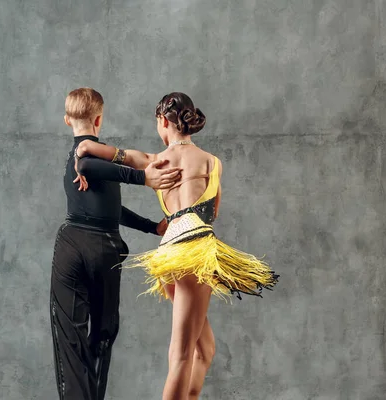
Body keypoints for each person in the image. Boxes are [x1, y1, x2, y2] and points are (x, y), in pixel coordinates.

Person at [74, 92, 279, 400]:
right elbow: (213, 213)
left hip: (168, 258)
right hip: (195, 254)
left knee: (204, 349)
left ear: (163, 120)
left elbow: (90, 148)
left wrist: (81, 161)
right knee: (181, 354)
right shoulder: (212, 163)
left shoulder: (153, 161)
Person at [50, 87, 181, 400]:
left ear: (67, 120)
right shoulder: (88, 157)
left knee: (79, 337)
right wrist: (143, 178)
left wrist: (152, 227)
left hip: (76, 246)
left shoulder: (88, 157)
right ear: (99, 119)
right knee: (102, 333)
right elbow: (89, 166)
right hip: (103, 246)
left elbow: (111, 207)